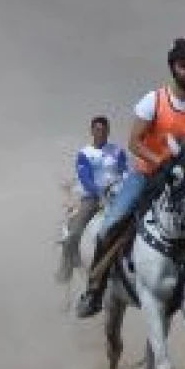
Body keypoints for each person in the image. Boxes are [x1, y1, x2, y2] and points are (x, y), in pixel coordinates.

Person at [75, 37, 185, 319]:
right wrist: (162, 163)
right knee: (109, 223)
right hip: (147, 174)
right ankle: (93, 292)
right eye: (184, 66)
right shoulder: (153, 100)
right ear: (173, 66)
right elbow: (134, 142)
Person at [57, 116, 128, 282]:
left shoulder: (118, 151)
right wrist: (99, 192)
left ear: (108, 131)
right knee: (74, 233)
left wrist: (122, 187)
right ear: (91, 131)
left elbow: (125, 171)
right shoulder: (85, 154)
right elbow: (85, 177)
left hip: (117, 197)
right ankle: (66, 268)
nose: (100, 133)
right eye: (97, 130)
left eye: (103, 130)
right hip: (92, 198)